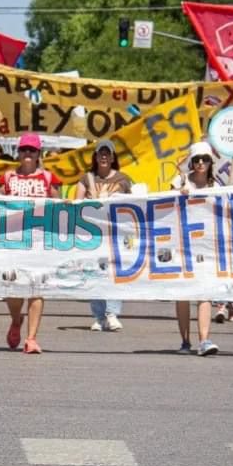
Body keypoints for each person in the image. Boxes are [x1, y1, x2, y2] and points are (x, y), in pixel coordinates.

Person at [0, 132, 61, 354]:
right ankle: (16, 319)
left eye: (32, 150)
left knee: (36, 287)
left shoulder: (49, 179)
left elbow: (59, 207)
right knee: (12, 288)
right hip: (14, 241)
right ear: (18, 154)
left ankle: (31, 338)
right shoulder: (8, 178)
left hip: (40, 242)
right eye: (23, 150)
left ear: (39, 154)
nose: (27, 154)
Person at [74, 139, 132, 332]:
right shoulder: (86, 179)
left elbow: (133, 205)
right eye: (101, 153)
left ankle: (112, 313)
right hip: (93, 233)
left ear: (113, 157)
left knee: (114, 272)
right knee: (94, 272)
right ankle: (98, 316)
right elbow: (76, 204)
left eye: (108, 153)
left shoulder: (123, 179)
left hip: (115, 233)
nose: (104, 156)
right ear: (96, 157)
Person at [171, 142, 220, 356]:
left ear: (211, 162)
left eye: (205, 159)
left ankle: (204, 339)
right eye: (197, 159)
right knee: (183, 294)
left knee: (205, 292)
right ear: (192, 161)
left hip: (207, 245)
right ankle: (185, 340)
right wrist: (176, 194)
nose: (201, 163)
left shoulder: (217, 186)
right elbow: (164, 207)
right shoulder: (180, 182)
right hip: (182, 244)